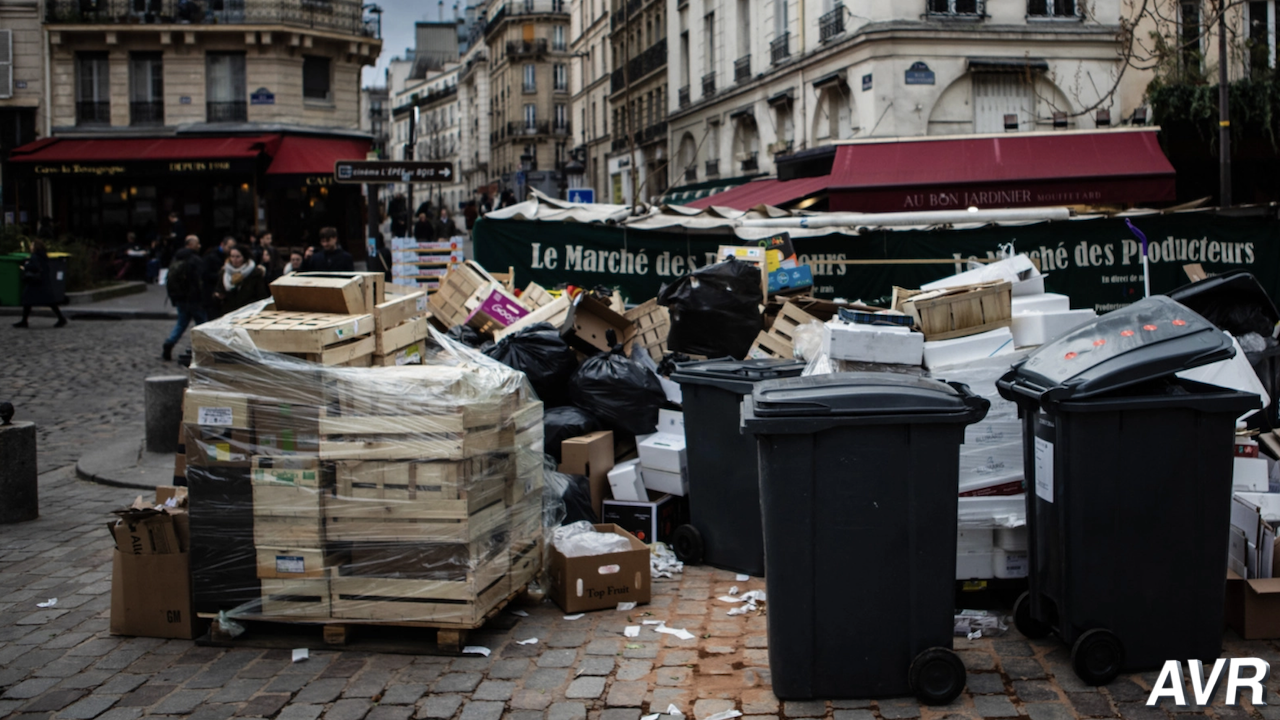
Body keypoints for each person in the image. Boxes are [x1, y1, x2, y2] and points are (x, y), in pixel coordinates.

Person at [162, 236, 207, 360]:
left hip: (180, 298)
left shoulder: (176, 257)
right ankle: (202, 349)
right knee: (202, 324)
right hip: (194, 299)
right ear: (191, 244)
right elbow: (199, 281)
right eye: (197, 243)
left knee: (181, 324)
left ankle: (169, 342)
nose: (199, 245)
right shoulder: (195, 260)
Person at [13, 240, 67, 329]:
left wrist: (25, 266)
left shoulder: (34, 256)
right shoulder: (43, 256)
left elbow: (35, 267)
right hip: (42, 281)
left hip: (35, 282)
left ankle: (24, 321)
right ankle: (60, 318)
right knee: (49, 302)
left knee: (27, 299)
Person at [213, 246, 269, 314]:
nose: (234, 259)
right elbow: (218, 291)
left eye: (238, 257)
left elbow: (261, 295)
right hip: (229, 312)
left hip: (248, 312)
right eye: (232, 256)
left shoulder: (254, 273)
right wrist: (218, 296)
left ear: (244, 257)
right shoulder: (224, 273)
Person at [202, 236, 235, 318]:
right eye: (229, 247)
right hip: (212, 294)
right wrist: (221, 274)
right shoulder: (211, 256)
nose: (231, 250)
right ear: (222, 245)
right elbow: (205, 275)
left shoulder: (228, 257)